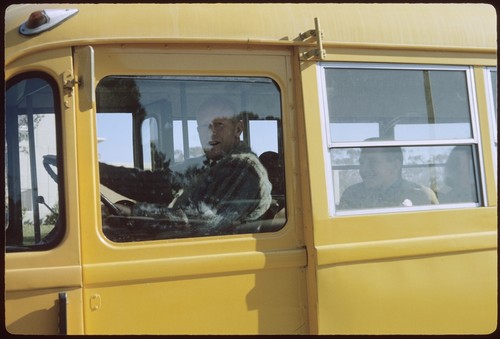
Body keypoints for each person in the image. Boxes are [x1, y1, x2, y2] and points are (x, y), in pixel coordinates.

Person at [100, 96, 272, 237]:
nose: (211, 132)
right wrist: (97, 171)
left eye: (219, 124)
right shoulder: (206, 165)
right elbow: (156, 184)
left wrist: (133, 212)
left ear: (238, 129)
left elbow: (202, 221)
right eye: (205, 126)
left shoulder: (243, 168)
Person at [338, 143, 432, 210]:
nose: (363, 169)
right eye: (361, 163)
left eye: (373, 162)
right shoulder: (352, 195)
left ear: (395, 165)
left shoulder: (420, 195)